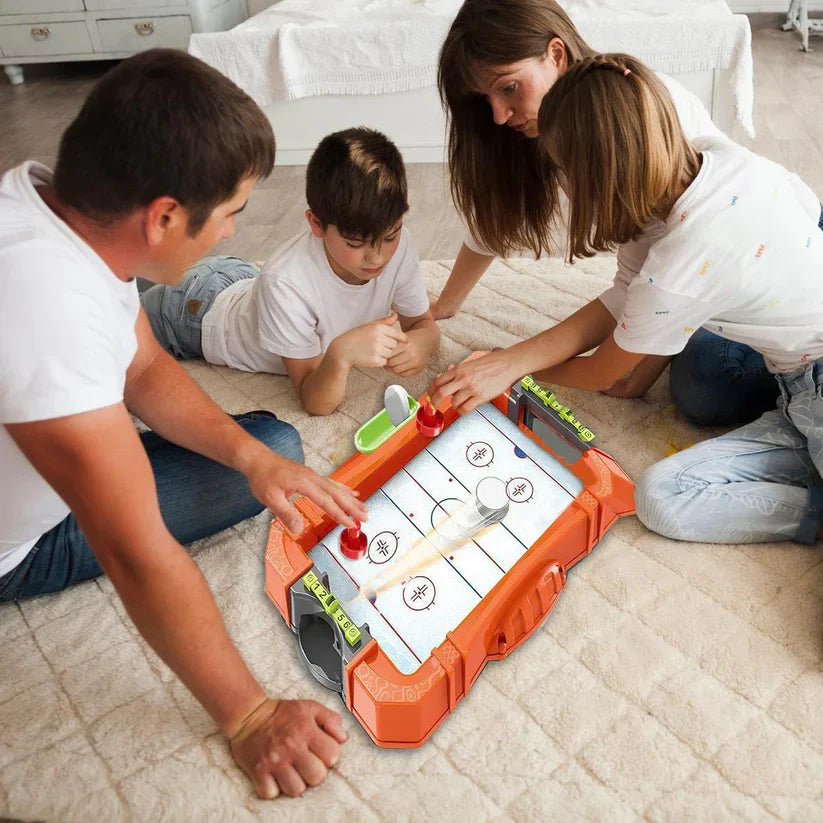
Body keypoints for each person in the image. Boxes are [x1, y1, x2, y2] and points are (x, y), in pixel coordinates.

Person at [0, 49, 368, 799]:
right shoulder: (44, 314)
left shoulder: (54, 210)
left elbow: (140, 370)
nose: (232, 234)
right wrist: (251, 715)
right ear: (163, 216)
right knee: (157, 522)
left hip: (49, 442)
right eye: (230, 213)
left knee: (272, 449)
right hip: (17, 545)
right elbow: (135, 554)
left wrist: (246, 459)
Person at [431, 53, 823, 544]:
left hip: (814, 378)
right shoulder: (712, 156)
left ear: (596, 176)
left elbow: (607, 371)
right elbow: (620, 300)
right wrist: (508, 360)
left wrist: (517, 373)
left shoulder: (683, 258)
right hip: (798, 391)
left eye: (563, 171)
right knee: (661, 496)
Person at [432, 0, 782, 427]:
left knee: (706, 384)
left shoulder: (637, 135)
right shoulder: (547, 123)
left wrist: (515, 364)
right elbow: (633, 284)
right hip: (705, 262)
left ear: (556, 55)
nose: (498, 116)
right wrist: (445, 305)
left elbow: (638, 327)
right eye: (484, 98)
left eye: (508, 88)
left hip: (754, 256)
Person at [142, 127, 440, 416]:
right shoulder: (286, 282)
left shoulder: (402, 246)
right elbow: (315, 400)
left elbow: (423, 324)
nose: (378, 256)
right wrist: (341, 354)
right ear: (316, 224)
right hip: (192, 314)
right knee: (111, 309)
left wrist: (422, 344)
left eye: (390, 236)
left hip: (243, 280)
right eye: (355, 242)